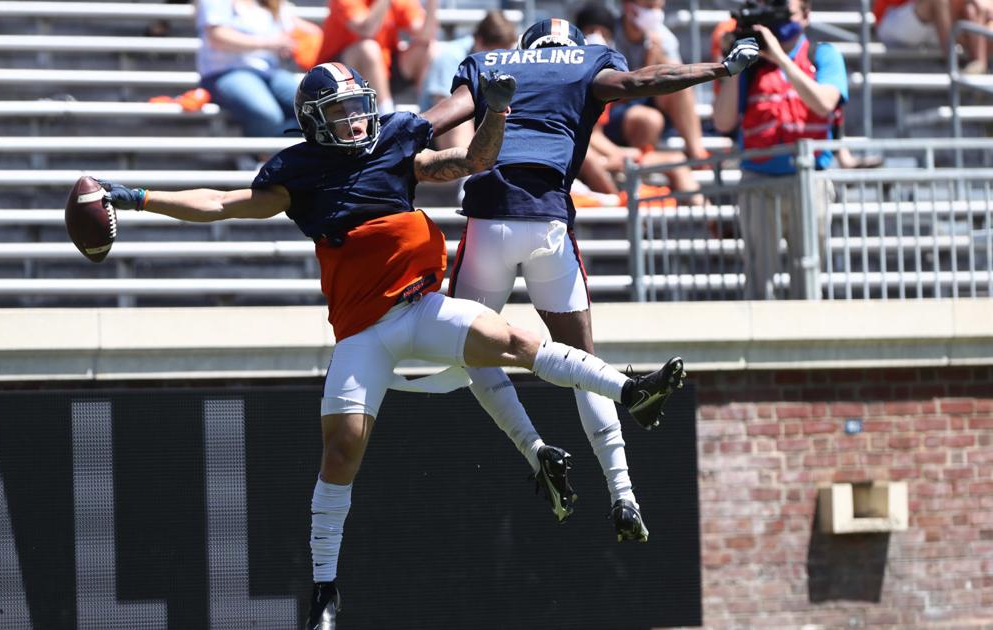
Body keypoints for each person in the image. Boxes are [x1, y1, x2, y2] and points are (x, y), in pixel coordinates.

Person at [89, 62, 688, 630]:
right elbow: (221, 204)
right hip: (364, 332)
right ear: (315, 120)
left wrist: (498, 113)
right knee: (343, 449)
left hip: (421, 306)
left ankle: (631, 389)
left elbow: (474, 160)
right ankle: (325, 589)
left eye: (358, 107)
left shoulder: (394, 143)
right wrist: (136, 196)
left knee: (512, 337)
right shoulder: (299, 172)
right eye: (342, 111)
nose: (356, 121)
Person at [420, 19, 757, 542]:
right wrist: (717, 69)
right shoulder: (585, 62)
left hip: (488, 222)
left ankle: (537, 451)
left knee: (475, 356)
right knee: (584, 363)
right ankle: (623, 493)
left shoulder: (494, 62)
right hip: (548, 223)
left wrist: (373, 144)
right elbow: (644, 83)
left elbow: (435, 121)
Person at [711, 0, 847, 300]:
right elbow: (723, 121)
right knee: (761, 282)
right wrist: (731, 65)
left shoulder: (822, 54)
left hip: (810, 182)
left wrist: (781, 58)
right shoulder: (750, 64)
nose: (776, 20)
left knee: (808, 275)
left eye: (784, 13)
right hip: (759, 182)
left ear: (806, 16)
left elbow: (825, 103)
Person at [605, 0, 711, 163]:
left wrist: (658, 56)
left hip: (650, 100)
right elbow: (613, 92)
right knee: (649, 120)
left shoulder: (663, 36)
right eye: (649, 7)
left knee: (679, 84)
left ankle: (697, 154)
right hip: (616, 108)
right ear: (629, 7)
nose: (655, 13)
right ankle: (639, 174)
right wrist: (648, 63)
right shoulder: (610, 37)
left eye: (659, 8)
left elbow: (676, 77)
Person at [196, 0, 312, 137]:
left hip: (268, 72)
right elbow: (218, 37)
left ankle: (281, 152)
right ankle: (258, 155)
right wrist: (270, 43)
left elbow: (304, 30)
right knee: (267, 114)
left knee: (313, 107)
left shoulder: (273, 3)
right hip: (225, 72)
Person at [316, 0, 436, 115]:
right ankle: (386, 118)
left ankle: (429, 119)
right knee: (369, 48)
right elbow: (367, 30)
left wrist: (432, 2)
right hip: (336, 75)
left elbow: (425, 36)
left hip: (383, 71)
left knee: (425, 50)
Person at [418, 10, 517, 150]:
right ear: (479, 41)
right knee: (459, 117)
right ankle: (468, 172)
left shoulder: (513, 57)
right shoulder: (450, 57)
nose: (501, 60)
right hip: (438, 140)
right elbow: (446, 113)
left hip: (484, 129)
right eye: (496, 54)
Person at [874, 0, 991, 74]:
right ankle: (954, 69)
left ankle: (979, 67)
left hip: (936, 23)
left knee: (974, 7)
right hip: (891, 19)